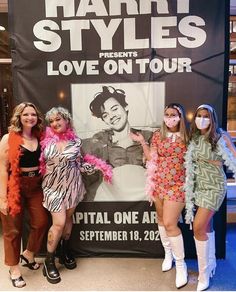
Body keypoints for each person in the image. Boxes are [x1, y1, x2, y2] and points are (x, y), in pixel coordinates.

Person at [131, 103, 189, 289]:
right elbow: (151, 158)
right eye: (167, 114)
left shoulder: (188, 137)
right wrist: (142, 141)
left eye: (173, 114)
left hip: (178, 186)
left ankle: (181, 265)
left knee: (171, 223)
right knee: (161, 219)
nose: (170, 117)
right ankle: (168, 254)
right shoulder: (158, 134)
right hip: (159, 184)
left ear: (180, 117)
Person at [184, 104, 236, 291]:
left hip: (214, 186)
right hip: (199, 186)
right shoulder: (195, 138)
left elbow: (233, 159)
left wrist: (229, 144)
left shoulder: (219, 136)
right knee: (207, 226)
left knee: (198, 228)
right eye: (199, 115)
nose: (202, 119)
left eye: (206, 116)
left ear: (212, 119)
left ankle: (203, 274)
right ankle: (212, 262)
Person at [0, 102, 48, 288]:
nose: (30, 118)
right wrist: (2, 198)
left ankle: (28, 253)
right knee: (12, 229)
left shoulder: (40, 137)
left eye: (33, 115)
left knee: (41, 221)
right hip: (15, 186)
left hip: (35, 185)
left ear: (37, 118)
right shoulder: (8, 139)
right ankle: (14, 268)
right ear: (19, 117)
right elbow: (3, 170)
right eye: (26, 114)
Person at [82, 85, 153, 201]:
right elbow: (88, 167)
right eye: (105, 115)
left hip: (144, 198)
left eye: (114, 109)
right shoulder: (100, 140)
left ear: (125, 107)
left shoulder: (147, 136)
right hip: (113, 199)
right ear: (104, 120)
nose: (112, 116)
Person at [40, 107, 86, 284]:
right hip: (53, 188)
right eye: (51, 121)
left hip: (73, 186)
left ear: (67, 120)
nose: (55, 123)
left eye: (58, 119)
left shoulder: (76, 141)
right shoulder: (45, 141)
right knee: (58, 224)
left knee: (67, 221)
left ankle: (64, 251)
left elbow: (80, 163)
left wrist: (97, 168)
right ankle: (49, 261)